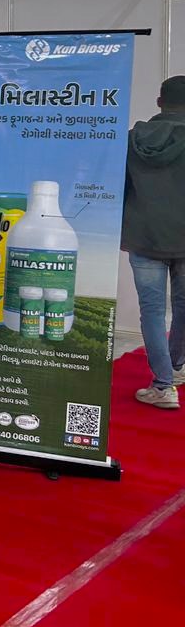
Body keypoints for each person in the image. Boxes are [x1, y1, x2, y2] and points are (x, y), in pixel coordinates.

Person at [122, 74, 185, 410]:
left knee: (152, 310)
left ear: (160, 102)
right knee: (183, 305)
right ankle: (176, 368)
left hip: (143, 235)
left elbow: (121, 187)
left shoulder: (133, 139)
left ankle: (163, 385)